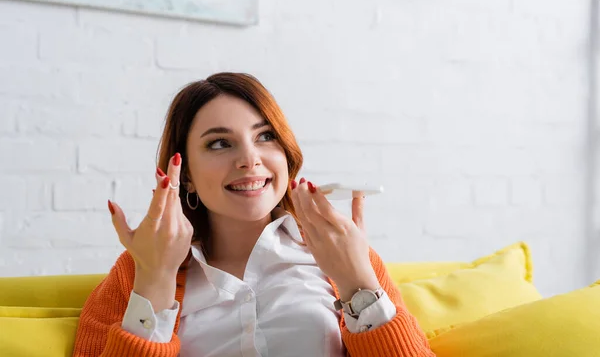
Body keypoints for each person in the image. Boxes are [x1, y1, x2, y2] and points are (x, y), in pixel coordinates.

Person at [72, 73, 435, 356]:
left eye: (265, 137)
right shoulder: (138, 271)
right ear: (188, 178)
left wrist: (358, 284)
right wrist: (154, 284)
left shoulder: (346, 257)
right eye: (219, 143)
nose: (250, 159)